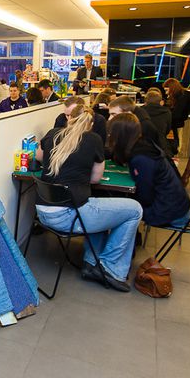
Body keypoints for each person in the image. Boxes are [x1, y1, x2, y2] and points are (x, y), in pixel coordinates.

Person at [36, 105, 142, 292]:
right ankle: (110, 268)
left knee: (99, 207)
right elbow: (95, 179)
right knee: (134, 209)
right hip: (68, 215)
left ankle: (91, 262)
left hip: (43, 211)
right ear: (91, 124)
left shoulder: (53, 133)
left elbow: (39, 156)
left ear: (69, 118)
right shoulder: (93, 139)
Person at [108, 113, 190, 228]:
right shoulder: (143, 144)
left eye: (111, 133)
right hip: (176, 206)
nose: (109, 136)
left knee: (116, 210)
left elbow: (146, 196)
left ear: (120, 135)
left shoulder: (141, 158)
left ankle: (121, 239)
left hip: (172, 213)